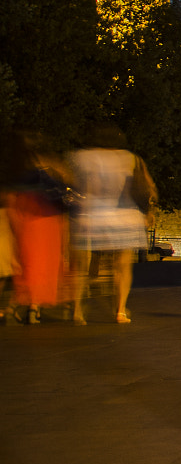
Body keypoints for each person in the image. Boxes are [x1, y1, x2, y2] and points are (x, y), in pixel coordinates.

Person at [69, 124, 155, 324]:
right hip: (124, 217)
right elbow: (148, 188)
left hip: (92, 216)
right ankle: (120, 310)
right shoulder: (131, 159)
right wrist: (149, 212)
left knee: (82, 267)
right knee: (122, 266)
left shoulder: (83, 158)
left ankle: (77, 311)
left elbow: (77, 187)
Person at [3, 131, 71, 324]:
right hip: (47, 218)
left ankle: (16, 306)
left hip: (25, 216)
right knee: (43, 264)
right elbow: (64, 189)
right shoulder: (52, 164)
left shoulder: (16, 167)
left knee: (27, 264)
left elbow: (10, 196)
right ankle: (32, 308)